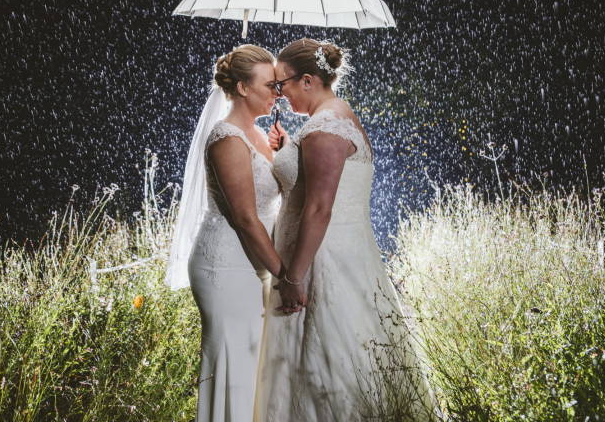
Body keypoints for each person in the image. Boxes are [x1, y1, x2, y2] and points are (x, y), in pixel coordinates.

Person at [253, 39, 437, 421]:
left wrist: (294, 276)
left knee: (324, 360)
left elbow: (320, 208)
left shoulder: (323, 128)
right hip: (346, 253)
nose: (279, 93)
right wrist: (288, 148)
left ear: (307, 80)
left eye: (282, 84)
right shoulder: (335, 118)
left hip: (320, 260)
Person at [164, 45, 283, 421]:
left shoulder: (257, 135)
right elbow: (246, 218)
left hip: (254, 261)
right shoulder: (227, 138)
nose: (278, 92)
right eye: (270, 84)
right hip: (227, 266)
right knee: (235, 367)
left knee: (255, 368)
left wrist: (281, 156)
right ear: (244, 88)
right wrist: (286, 274)